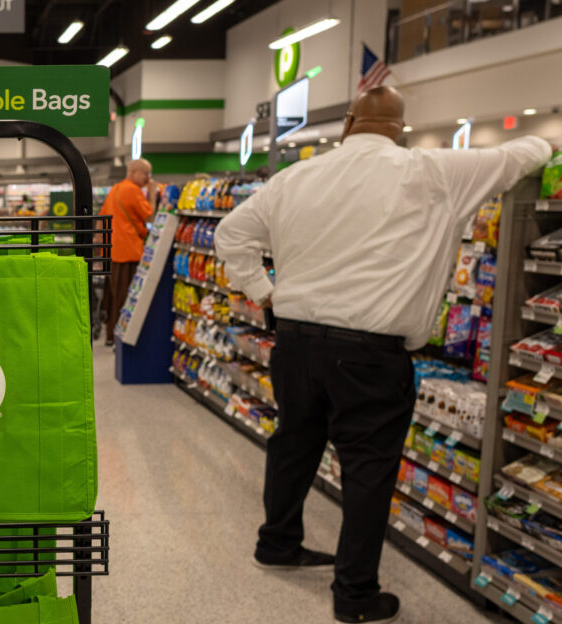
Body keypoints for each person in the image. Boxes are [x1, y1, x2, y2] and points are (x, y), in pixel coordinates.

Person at [214, 86, 554, 624]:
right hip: (370, 356)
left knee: (293, 446)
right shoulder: (433, 171)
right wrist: (543, 141)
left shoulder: (297, 177)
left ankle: (276, 544)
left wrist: (264, 292)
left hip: (297, 344)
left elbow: (231, 233)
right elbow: (526, 153)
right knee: (368, 471)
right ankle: (354, 596)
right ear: (400, 127)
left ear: (349, 122)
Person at [98, 158, 156, 346]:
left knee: (113, 296)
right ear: (133, 172)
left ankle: (110, 335)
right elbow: (150, 215)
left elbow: (102, 219)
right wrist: (152, 193)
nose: (148, 178)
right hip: (129, 251)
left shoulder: (116, 189)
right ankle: (121, 338)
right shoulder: (132, 190)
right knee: (126, 297)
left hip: (113, 251)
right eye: (146, 174)